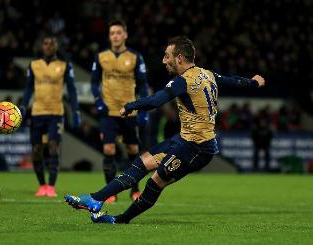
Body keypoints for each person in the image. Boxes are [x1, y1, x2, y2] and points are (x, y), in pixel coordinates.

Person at [65, 36, 265, 224]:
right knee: (140, 164)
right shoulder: (208, 74)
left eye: (167, 56)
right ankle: (95, 200)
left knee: (155, 182)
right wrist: (254, 82)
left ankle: (119, 220)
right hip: (183, 139)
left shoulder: (183, 80)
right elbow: (233, 81)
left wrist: (130, 106)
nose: (163, 61)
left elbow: (155, 101)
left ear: (179, 58)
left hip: (198, 148)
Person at [91, 19, 149, 202]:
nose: (115, 36)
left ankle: (135, 190)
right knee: (108, 149)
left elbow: (142, 86)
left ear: (125, 35)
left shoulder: (135, 57)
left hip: (128, 112)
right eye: (112, 33)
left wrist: (144, 110)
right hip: (108, 112)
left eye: (118, 33)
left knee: (132, 149)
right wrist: (98, 101)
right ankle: (111, 193)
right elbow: (93, 82)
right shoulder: (101, 56)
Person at [21, 35, 80, 197]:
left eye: (51, 43)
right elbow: (28, 89)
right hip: (37, 112)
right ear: (42, 46)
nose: (48, 46)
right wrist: (23, 106)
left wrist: (76, 110)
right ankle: (42, 186)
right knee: (37, 149)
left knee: (53, 145)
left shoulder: (64, 65)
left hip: (56, 113)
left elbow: (72, 89)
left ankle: (51, 186)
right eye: (45, 43)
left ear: (56, 46)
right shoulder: (34, 65)